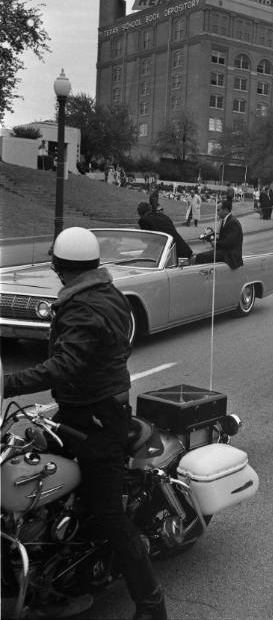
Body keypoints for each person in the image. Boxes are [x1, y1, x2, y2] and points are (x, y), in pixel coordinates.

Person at [3, 227, 168, 620]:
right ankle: (53, 577)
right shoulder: (106, 291)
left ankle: (151, 604)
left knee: (109, 512)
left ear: (61, 267)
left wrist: (7, 383)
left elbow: (64, 365)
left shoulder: (83, 308)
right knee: (36, 472)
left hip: (98, 420)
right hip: (83, 408)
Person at [194, 200, 243, 269]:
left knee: (201, 257)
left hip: (231, 255)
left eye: (218, 210)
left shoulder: (233, 222)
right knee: (200, 255)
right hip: (225, 252)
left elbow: (228, 242)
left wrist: (214, 242)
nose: (217, 213)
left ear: (226, 210)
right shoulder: (226, 220)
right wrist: (211, 237)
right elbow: (223, 239)